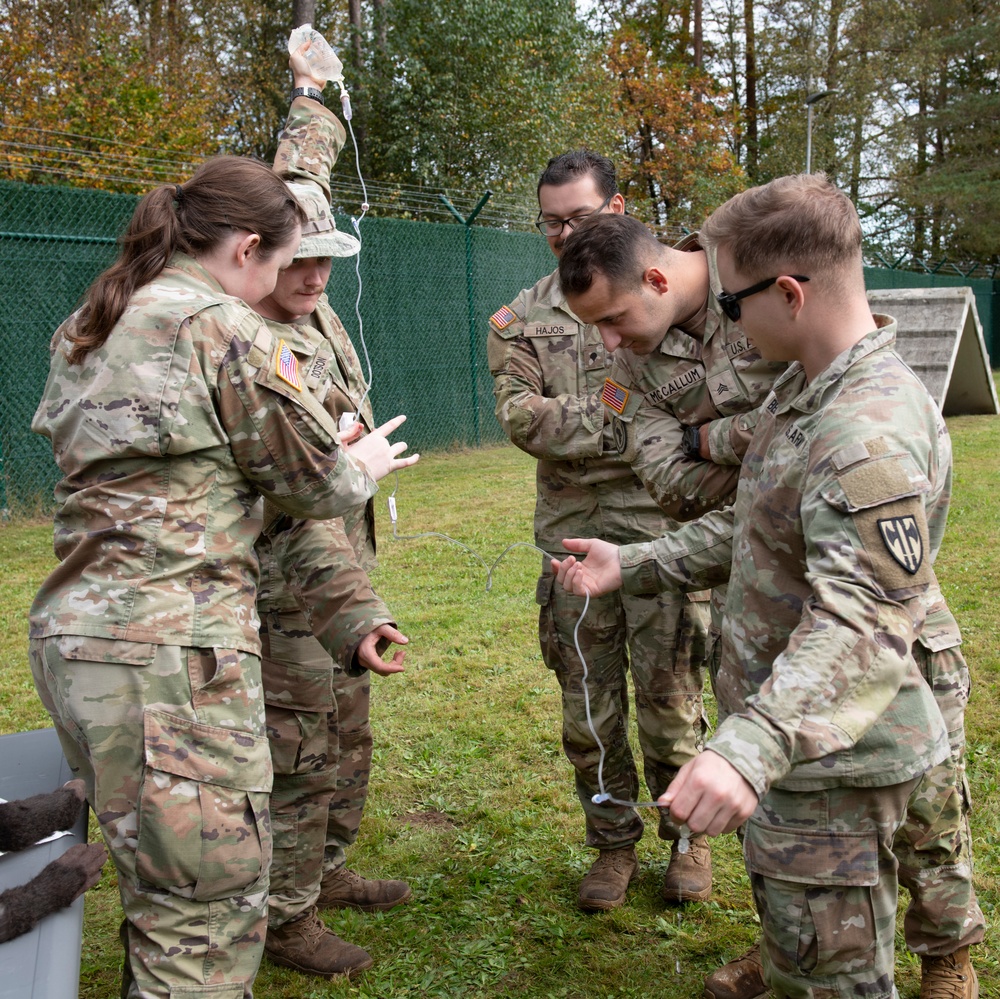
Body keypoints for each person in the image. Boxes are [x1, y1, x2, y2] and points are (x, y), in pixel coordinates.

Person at [553, 173, 966, 999]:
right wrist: (633, 561)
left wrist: (750, 744)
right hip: (809, 741)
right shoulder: (806, 390)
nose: (727, 328)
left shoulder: (863, 429)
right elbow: (752, 527)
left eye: (733, 307)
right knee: (806, 950)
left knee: (833, 976)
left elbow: (860, 619)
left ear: (788, 293)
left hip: (834, 753)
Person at [28, 156, 416, 998]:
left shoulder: (92, 320)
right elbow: (319, 484)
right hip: (173, 658)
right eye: (279, 262)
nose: (283, 280)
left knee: (154, 880)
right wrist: (365, 463)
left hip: (77, 642)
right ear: (246, 248)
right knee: (202, 918)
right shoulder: (221, 326)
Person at [486, 151, 711, 913]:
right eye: (550, 221)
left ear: (615, 210)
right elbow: (525, 422)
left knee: (671, 692)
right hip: (572, 538)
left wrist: (593, 423)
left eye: (577, 218)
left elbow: (697, 412)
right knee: (588, 702)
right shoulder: (520, 319)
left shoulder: (672, 301)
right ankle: (612, 844)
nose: (562, 233)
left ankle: (687, 837)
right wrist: (634, 419)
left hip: (659, 529)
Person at [251, 52, 413, 981]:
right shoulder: (249, 337)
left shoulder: (304, 290)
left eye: (325, 256)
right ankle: (285, 910)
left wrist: (311, 94)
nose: (315, 271)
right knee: (300, 739)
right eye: (297, 257)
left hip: (338, 556)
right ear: (255, 252)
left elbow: (299, 175)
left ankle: (325, 867)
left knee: (347, 722)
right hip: (283, 575)